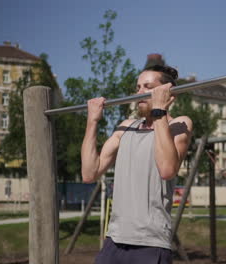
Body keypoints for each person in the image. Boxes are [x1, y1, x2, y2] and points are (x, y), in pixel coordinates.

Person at [81, 65, 193, 264]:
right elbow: (89, 173)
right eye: (137, 87)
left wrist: (159, 110)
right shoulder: (125, 127)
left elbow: (167, 169)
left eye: (147, 86)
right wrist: (92, 121)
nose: (139, 93)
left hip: (150, 244)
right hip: (114, 241)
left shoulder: (179, 124)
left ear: (164, 91)